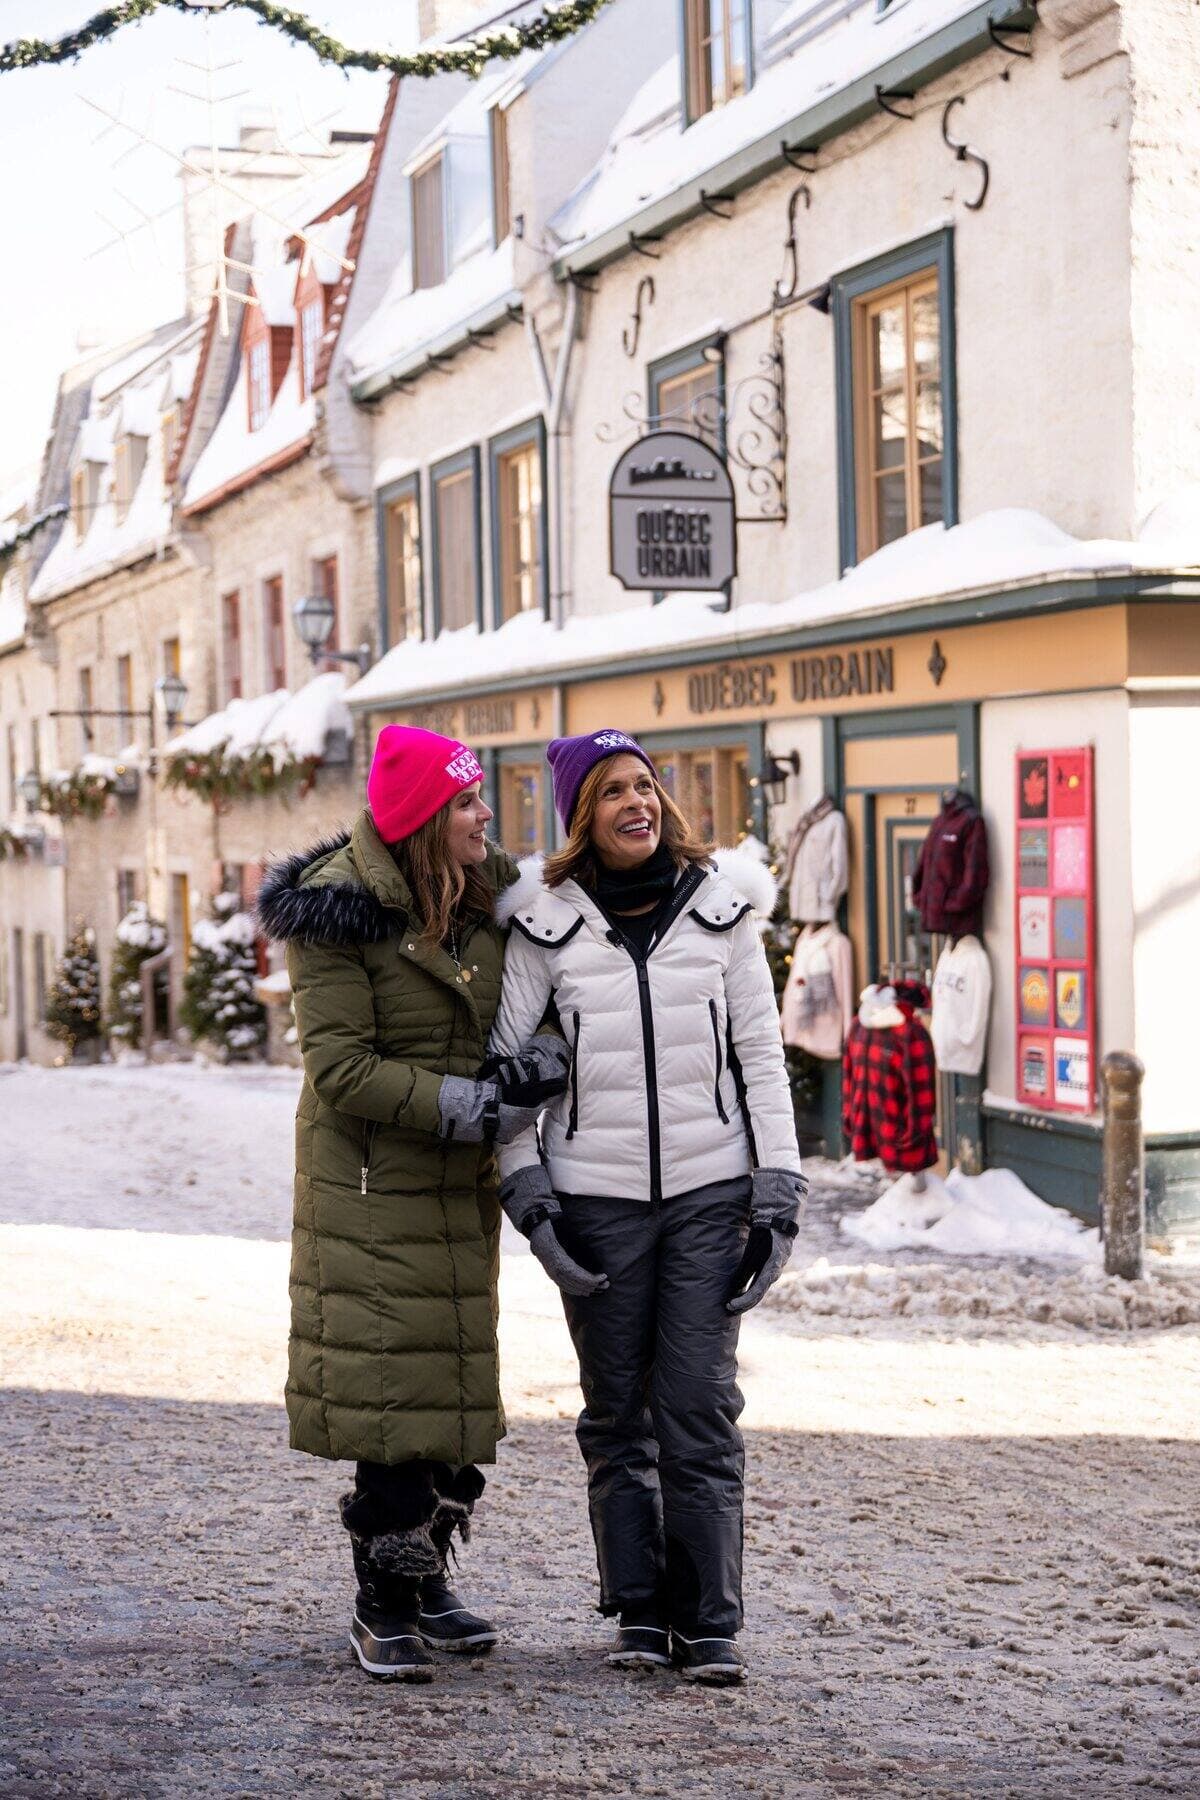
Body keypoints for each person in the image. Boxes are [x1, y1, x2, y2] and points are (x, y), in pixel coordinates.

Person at [488, 729, 805, 1686]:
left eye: (645, 786)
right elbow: (507, 1077)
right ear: (582, 817)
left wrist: (778, 1189)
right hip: (596, 1201)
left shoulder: (721, 911)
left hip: (712, 1191)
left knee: (699, 1405)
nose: (637, 803)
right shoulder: (544, 926)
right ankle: (638, 1611)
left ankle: (707, 1621)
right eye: (613, 792)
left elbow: (761, 1056)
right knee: (617, 1410)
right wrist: (531, 1198)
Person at [258, 725, 569, 1682]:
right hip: (371, 1188)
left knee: (452, 1393)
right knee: (396, 1398)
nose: (486, 814)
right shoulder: (338, 915)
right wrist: (467, 1103)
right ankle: (381, 1603)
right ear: (427, 818)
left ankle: (426, 1577)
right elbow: (341, 1067)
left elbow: (540, 1001)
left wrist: (541, 1058)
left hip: (456, 1185)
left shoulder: (490, 900)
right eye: (467, 801)